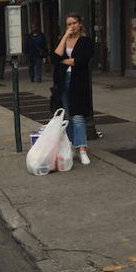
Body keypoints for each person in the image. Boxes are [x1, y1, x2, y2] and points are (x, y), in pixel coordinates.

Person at [52, 12, 94, 165]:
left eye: (74, 23)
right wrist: (64, 37)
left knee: (78, 116)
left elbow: (82, 60)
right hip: (63, 81)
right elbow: (55, 56)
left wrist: (63, 61)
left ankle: (82, 149)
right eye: (69, 24)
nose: (72, 27)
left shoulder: (86, 41)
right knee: (68, 116)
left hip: (78, 81)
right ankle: (71, 145)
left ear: (80, 23)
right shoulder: (63, 41)